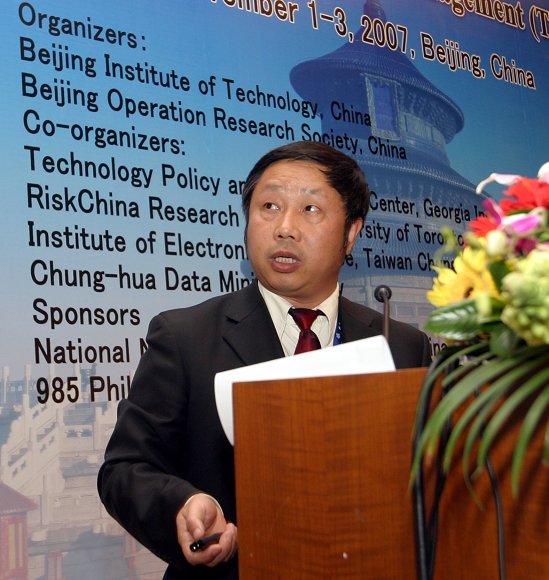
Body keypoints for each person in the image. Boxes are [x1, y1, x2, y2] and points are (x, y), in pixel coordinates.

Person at [97, 141, 431, 580]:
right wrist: (185, 505)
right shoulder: (184, 337)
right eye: (269, 206)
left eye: (310, 209)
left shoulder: (401, 345)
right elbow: (125, 469)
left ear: (351, 233)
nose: (284, 228)